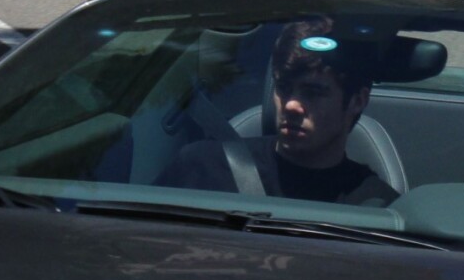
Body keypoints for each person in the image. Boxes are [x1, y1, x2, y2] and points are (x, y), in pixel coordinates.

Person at [163, 19, 395, 205]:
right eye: (283, 88)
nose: (291, 105)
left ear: (357, 101)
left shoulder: (376, 206)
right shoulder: (204, 166)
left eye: (313, 92)